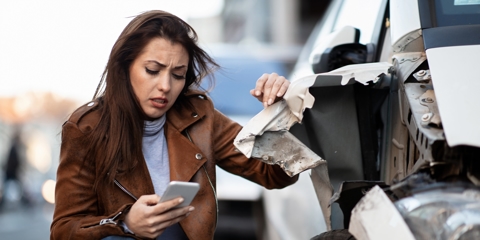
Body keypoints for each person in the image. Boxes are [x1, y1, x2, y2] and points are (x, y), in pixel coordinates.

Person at [50, 10, 297, 240]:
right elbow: (64, 229)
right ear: (124, 68)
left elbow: (275, 176)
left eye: (178, 74)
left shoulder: (199, 116)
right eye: (152, 70)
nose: (166, 86)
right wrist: (125, 223)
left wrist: (277, 115)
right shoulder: (86, 128)